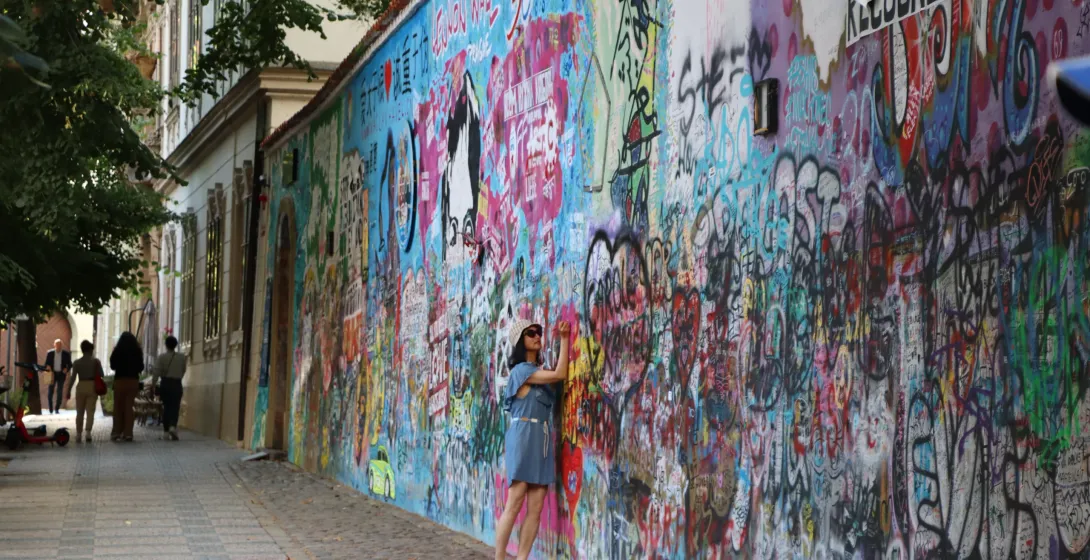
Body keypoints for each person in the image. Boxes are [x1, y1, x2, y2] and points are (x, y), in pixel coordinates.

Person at [494, 318, 570, 560]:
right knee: (515, 502)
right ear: (520, 342)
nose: (537, 336)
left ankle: (522, 558)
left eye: (539, 331)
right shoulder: (522, 371)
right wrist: (566, 339)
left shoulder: (538, 372)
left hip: (542, 439)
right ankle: (499, 557)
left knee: (536, 508)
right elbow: (560, 373)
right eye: (531, 333)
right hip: (524, 436)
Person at [63, 340, 103, 442]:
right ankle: (88, 433)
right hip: (92, 386)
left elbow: (72, 378)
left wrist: (68, 390)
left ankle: (78, 434)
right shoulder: (96, 361)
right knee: (90, 411)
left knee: (79, 412)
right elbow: (101, 374)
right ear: (90, 350)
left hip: (80, 386)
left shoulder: (76, 363)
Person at [109, 332, 144, 442]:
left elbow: (112, 365)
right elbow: (141, 367)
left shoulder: (117, 351)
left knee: (118, 407)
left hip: (120, 381)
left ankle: (116, 432)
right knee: (129, 407)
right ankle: (128, 433)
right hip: (133, 381)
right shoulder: (137, 351)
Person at [151, 335, 186, 440]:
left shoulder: (162, 357)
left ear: (166, 345)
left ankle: (166, 432)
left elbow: (156, 371)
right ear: (175, 345)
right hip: (177, 383)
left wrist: (153, 383)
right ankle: (172, 426)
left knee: (166, 407)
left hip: (165, 383)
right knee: (175, 407)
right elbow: (183, 370)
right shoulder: (181, 357)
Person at [44, 339, 71, 414]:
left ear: (62, 346)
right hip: (52, 374)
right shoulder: (50, 353)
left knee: (60, 392)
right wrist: (48, 367)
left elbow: (70, 364)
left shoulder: (66, 354)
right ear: (54, 345)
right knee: (50, 392)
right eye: (57, 345)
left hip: (61, 374)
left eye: (60, 345)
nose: (59, 346)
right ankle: (50, 408)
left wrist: (67, 369)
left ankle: (57, 408)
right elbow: (46, 364)